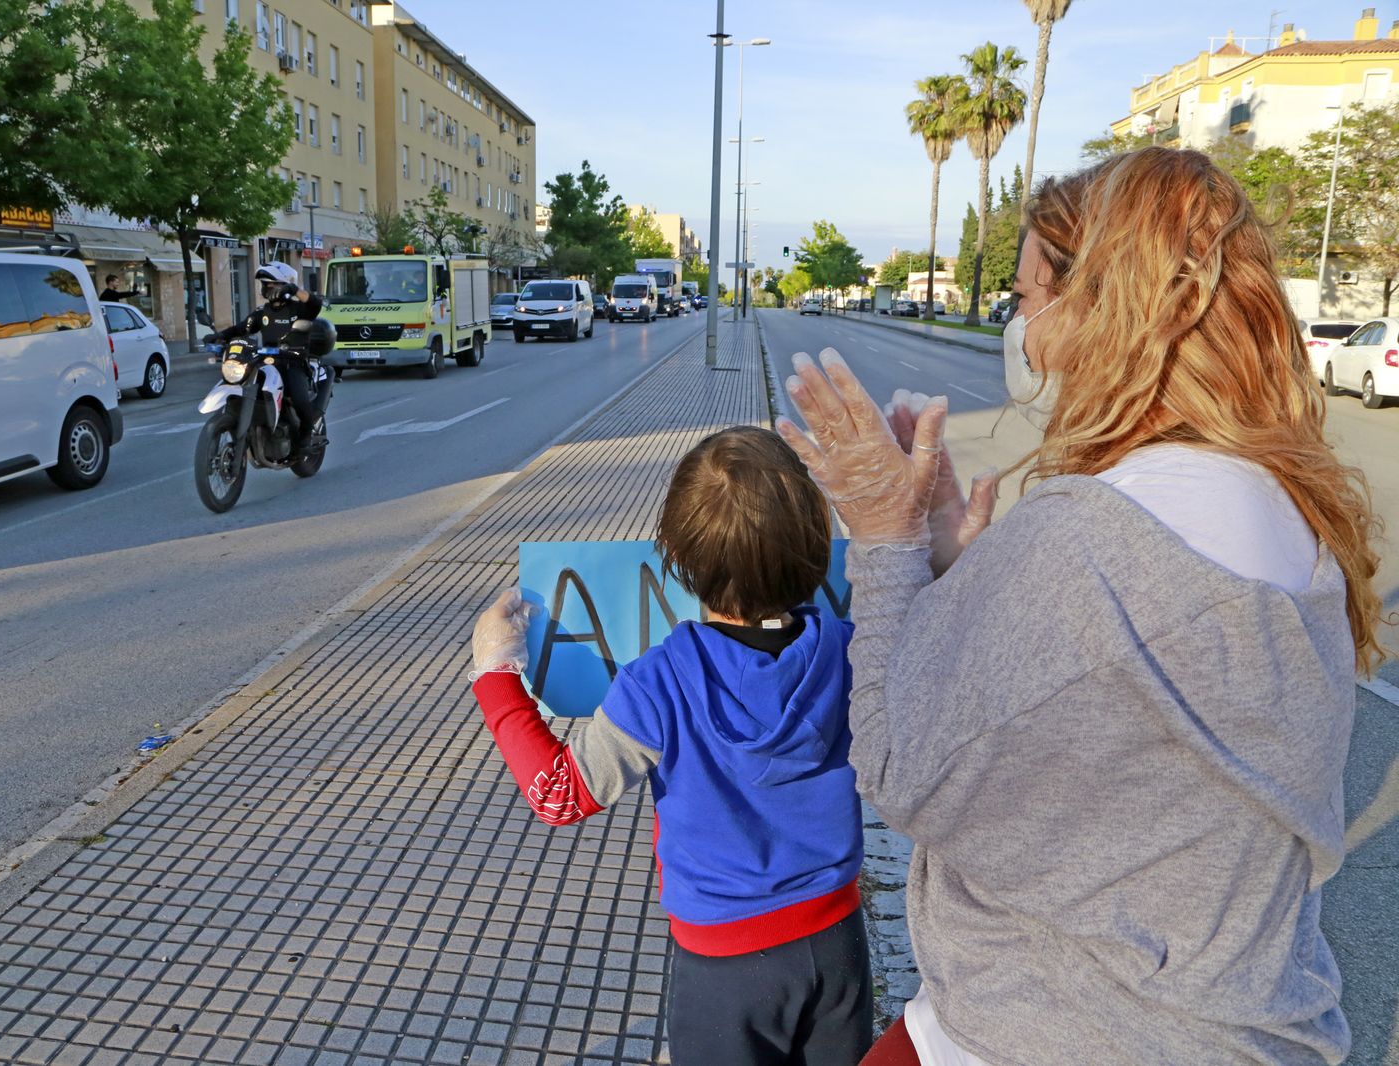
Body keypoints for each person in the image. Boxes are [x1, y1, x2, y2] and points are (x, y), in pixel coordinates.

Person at [777, 147, 1386, 1066]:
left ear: (1104, 309)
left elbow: (901, 763)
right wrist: (963, 576)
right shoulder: (1282, 504)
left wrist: (887, 541)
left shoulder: (1091, 535)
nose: (1021, 334)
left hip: (1055, 1027)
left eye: (1025, 300)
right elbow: (1100, 712)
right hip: (1241, 1020)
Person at [469, 426, 873, 1066]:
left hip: (723, 961)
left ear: (678, 560)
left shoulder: (659, 683)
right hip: (838, 941)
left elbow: (558, 795)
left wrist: (495, 677)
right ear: (815, 545)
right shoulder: (852, 652)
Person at [206, 262, 325, 455]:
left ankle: (305, 436)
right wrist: (219, 337)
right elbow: (241, 329)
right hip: (268, 362)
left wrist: (295, 290)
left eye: (272, 285)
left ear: (285, 285)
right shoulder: (263, 312)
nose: (267, 289)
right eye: (265, 285)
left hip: (293, 362)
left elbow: (315, 304)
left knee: (300, 399)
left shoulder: (299, 309)